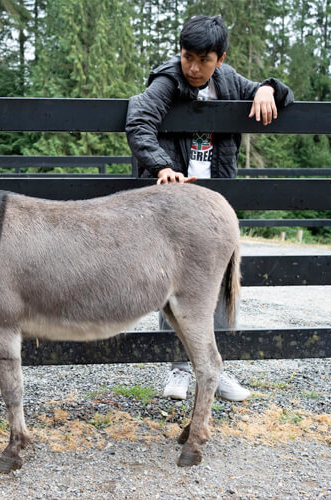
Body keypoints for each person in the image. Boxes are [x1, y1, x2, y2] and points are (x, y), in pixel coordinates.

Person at [125, 15, 294, 401]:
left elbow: (281, 95)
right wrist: (162, 166)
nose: (195, 68)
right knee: (174, 282)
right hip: (177, 204)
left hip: (216, 203)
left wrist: (268, 88)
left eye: (204, 60)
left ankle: (215, 372)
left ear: (220, 58)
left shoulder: (229, 80)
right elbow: (139, 122)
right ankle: (179, 369)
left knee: (217, 280)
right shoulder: (168, 79)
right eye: (188, 57)